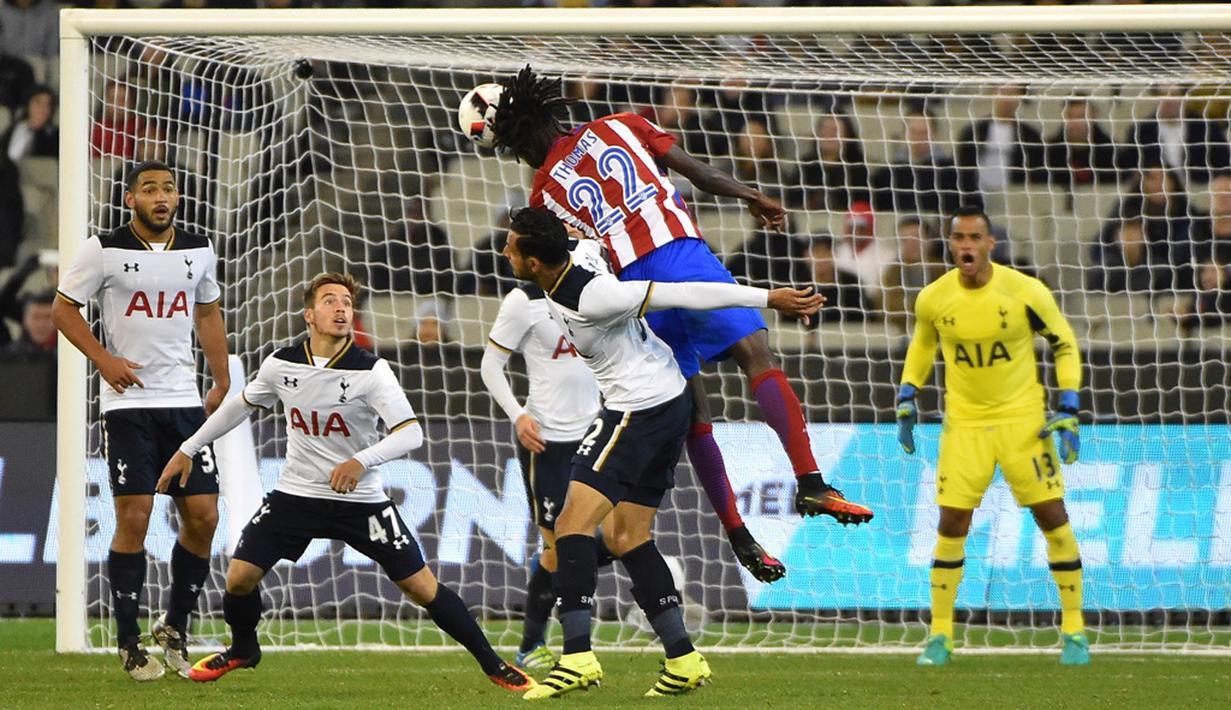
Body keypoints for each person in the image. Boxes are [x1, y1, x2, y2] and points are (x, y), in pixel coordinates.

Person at [488, 68, 874, 578]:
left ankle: (738, 535)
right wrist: (750, 196)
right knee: (756, 356)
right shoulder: (622, 124)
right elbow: (697, 172)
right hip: (680, 254)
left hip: (635, 291)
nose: (523, 160)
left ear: (528, 138)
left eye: (518, 150)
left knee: (693, 405)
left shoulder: (542, 194)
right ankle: (810, 482)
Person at [155, 272, 535, 693]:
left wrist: (360, 461)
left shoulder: (372, 371)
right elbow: (239, 408)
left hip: (362, 500)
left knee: (423, 588)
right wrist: (188, 448)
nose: (340, 309)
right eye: (330, 301)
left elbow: (411, 433)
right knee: (239, 578)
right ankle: (244, 648)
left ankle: (492, 664)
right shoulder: (282, 364)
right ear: (310, 315)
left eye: (347, 303)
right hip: (296, 494)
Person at [502, 207, 821, 699]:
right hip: (665, 401)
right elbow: (586, 235)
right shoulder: (575, 257)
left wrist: (768, 298)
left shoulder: (594, 294)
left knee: (570, 525)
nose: (504, 251)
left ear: (536, 261)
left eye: (512, 246)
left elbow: (688, 293)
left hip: (638, 409)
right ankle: (684, 659)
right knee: (629, 534)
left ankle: (577, 657)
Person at [51, 160, 231, 680]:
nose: (161, 196)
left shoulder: (198, 248)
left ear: (177, 198)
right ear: (130, 199)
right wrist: (104, 360)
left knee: (205, 517)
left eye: (168, 188)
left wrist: (220, 378)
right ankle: (129, 641)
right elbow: (64, 309)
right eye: (149, 189)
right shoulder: (102, 248)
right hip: (127, 405)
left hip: (183, 402)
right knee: (134, 517)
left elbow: (208, 312)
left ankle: (174, 626)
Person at [895, 205, 1089, 667]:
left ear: (989, 244)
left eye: (974, 238)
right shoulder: (935, 297)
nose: (966, 245)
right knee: (951, 523)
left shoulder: (1024, 291)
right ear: (951, 243)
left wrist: (1069, 405)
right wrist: (907, 394)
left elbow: (1063, 341)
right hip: (965, 425)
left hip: (1023, 421)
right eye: (958, 237)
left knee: (1052, 515)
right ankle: (940, 635)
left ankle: (1075, 631)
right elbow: (924, 343)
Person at [480, 246, 606, 672]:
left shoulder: (596, 283)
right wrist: (518, 416)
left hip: (598, 433)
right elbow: (491, 366)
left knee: (619, 536)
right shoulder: (524, 301)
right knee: (557, 550)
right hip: (546, 441)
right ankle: (533, 645)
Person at [955, 83, 1047, 205]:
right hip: (976, 197)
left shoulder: (1030, 136)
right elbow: (962, 168)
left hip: (1015, 199)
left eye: (1013, 94)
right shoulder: (973, 132)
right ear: (993, 94)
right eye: (1003, 92)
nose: (1007, 99)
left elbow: (1037, 172)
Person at [0, 289, 55, 357]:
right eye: (36, 317)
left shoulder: (67, 354)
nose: (41, 324)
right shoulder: (9, 356)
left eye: (47, 317)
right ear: (25, 320)